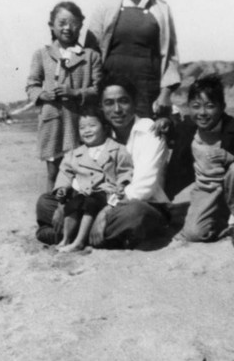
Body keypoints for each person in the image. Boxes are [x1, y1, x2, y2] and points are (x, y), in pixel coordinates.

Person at [35, 75, 170, 249]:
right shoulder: (101, 134)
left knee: (135, 213)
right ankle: (92, 234)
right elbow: (82, 172)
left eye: (123, 101)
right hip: (94, 203)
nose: (117, 109)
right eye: (109, 103)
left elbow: (144, 188)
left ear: (134, 103)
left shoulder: (150, 132)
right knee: (45, 202)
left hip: (142, 204)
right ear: (101, 106)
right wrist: (66, 204)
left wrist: (106, 211)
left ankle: (74, 233)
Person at [165, 75, 234, 248]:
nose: (202, 113)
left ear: (222, 107)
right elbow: (170, 137)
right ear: (188, 108)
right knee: (194, 234)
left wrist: (232, 158)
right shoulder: (187, 129)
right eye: (196, 106)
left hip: (232, 189)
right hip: (205, 191)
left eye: (210, 106)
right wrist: (163, 122)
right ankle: (223, 220)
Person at [86, 0, 180, 119]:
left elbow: (171, 58)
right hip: (111, 89)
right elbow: (90, 53)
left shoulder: (162, 9)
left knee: (147, 138)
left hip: (148, 90)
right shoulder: (104, 8)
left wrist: (165, 94)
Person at [26, 1, 103, 191]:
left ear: (80, 25)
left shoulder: (91, 56)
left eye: (73, 23)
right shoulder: (42, 54)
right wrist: (43, 95)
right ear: (52, 25)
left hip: (80, 123)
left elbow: (98, 90)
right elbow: (31, 86)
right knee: (53, 173)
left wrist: (76, 93)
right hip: (53, 123)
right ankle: (49, 214)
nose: (67, 28)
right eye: (62, 23)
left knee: (82, 171)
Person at [53, 107, 133, 252]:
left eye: (92, 125)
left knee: (90, 202)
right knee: (73, 204)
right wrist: (62, 188)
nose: (87, 130)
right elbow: (65, 173)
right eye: (82, 127)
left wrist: (121, 184)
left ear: (105, 127)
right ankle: (66, 239)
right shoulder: (74, 154)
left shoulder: (117, 149)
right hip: (83, 192)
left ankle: (79, 242)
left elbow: (125, 171)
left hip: (106, 194)